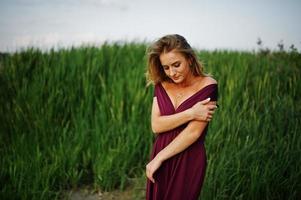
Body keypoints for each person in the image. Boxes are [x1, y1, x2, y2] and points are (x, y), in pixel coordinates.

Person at [145, 34, 218, 200]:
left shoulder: (208, 85)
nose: (172, 72)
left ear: (190, 59)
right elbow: (156, 125)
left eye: (176, 65)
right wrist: (191, 113)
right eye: (166, 67)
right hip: (160, 152)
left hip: (188, 158)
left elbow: (193, 132)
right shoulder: (161, 85)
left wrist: (159, 158)